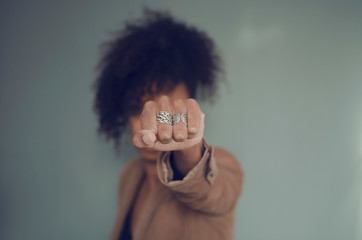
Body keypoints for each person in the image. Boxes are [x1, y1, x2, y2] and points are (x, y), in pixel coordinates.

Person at [92, 9, 244, 240]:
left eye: (169, 110)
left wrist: (189, 150)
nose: (152, 124)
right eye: (138, 109)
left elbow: (207, 185)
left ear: (189, 108)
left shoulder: (224, 166)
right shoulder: (129, 176)